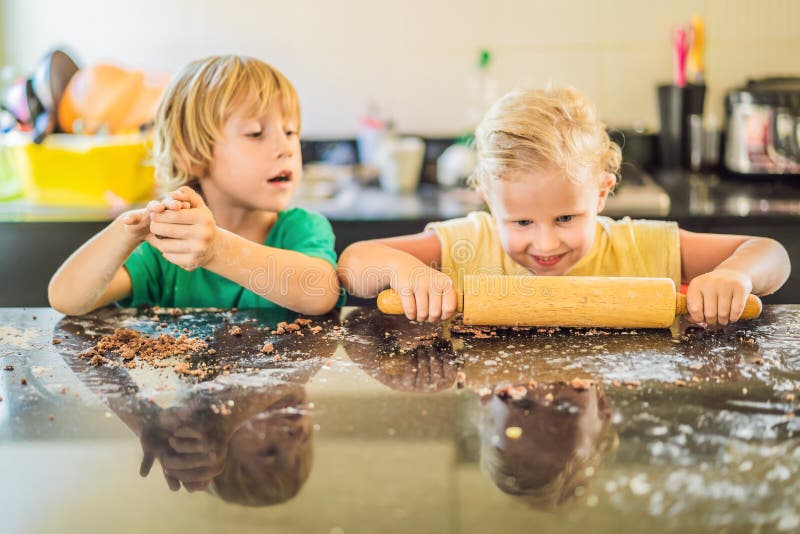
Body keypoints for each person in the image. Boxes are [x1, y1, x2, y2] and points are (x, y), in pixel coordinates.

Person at [339, 87, 790, 327]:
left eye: (566, 218)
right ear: (487, 200)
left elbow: (770, 251)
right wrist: (406, 272)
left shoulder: (638, 247)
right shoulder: (468, 244)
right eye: (519, 221)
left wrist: (735, 275)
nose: (545, 241)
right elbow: (355, 263)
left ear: (600, 193)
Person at [49, 55, 343, 315]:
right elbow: (66, 298)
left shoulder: (302, 229)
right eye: (255, 133)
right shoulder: (168, 249)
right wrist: (127, 230)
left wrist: (217, 250)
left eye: (290, 131)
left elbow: (320, 293)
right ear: (192, 154)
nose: (287, 147)